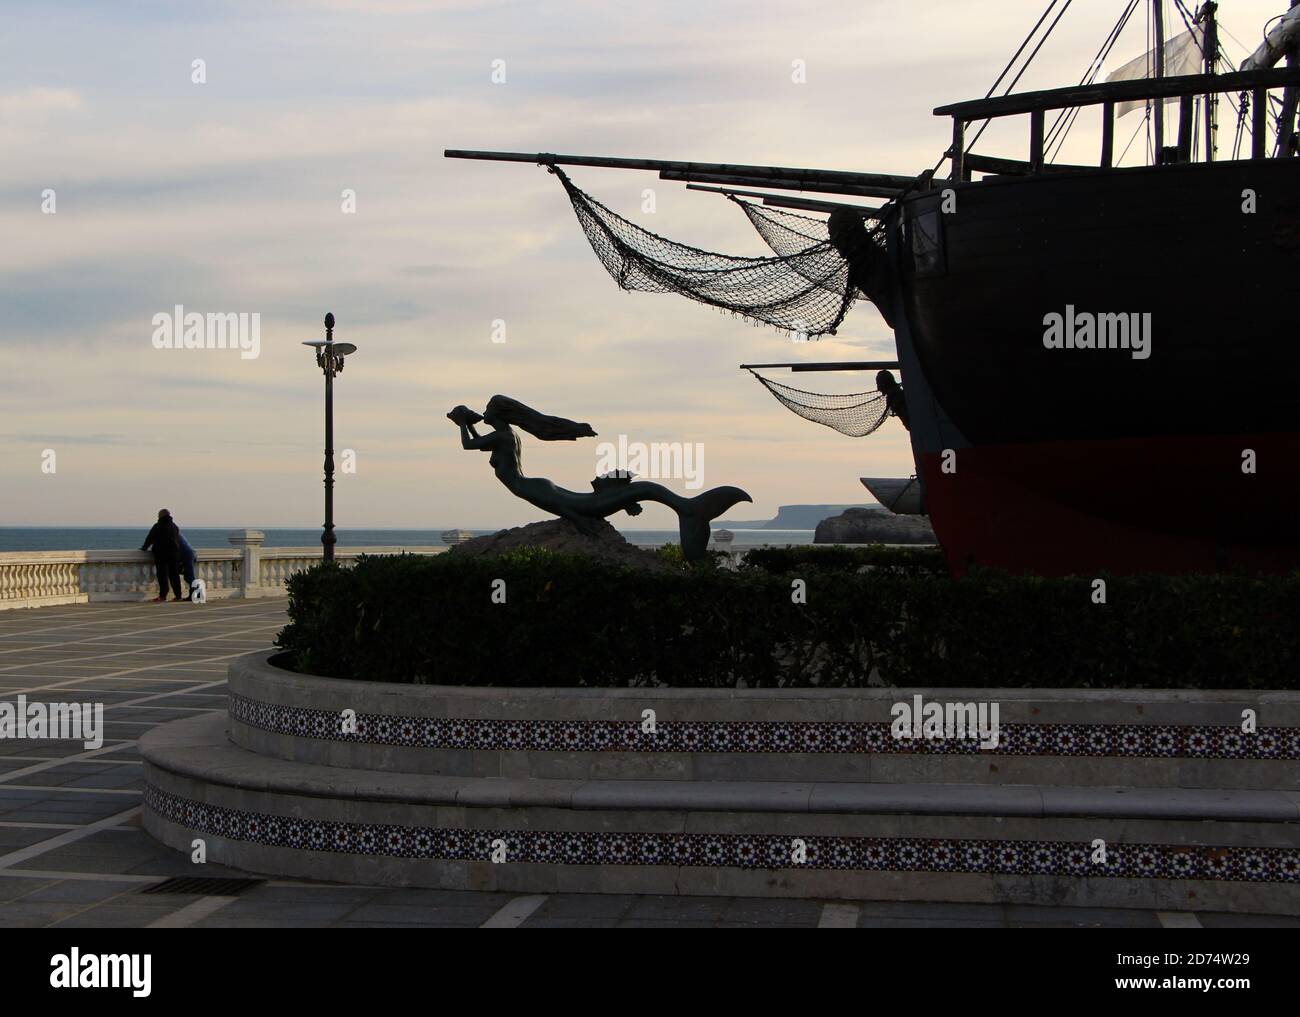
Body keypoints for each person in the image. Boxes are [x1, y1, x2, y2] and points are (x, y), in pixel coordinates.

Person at [448, 395, 750, 562]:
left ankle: (690, 510)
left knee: (580, 504)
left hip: (537, 489)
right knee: (584, 501)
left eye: (487, 410)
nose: (482, 413)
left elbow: (467, 445)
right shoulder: (504, 435)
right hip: (539, 487)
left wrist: (463, 422)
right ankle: (687, 509)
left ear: (497, 415)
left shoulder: (501, 437)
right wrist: (469, 422)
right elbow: (476, 444)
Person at [140, 509, 182, 602]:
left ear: (161, 516)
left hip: (161, 554)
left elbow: (149, 538)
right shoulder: (174, 526)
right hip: (174, 554)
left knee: (162, 575)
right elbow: (177, 540)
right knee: (174, 575)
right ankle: (178, 595)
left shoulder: (158, 526)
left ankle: (163, 595)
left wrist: (144, 548)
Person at [176, 530, 198, 601]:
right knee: (188, 576)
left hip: (187, 555)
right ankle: (195, 593)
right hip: (191, 554)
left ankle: (194, 594)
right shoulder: (179, 536)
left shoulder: (173, 536)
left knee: (189, 576)